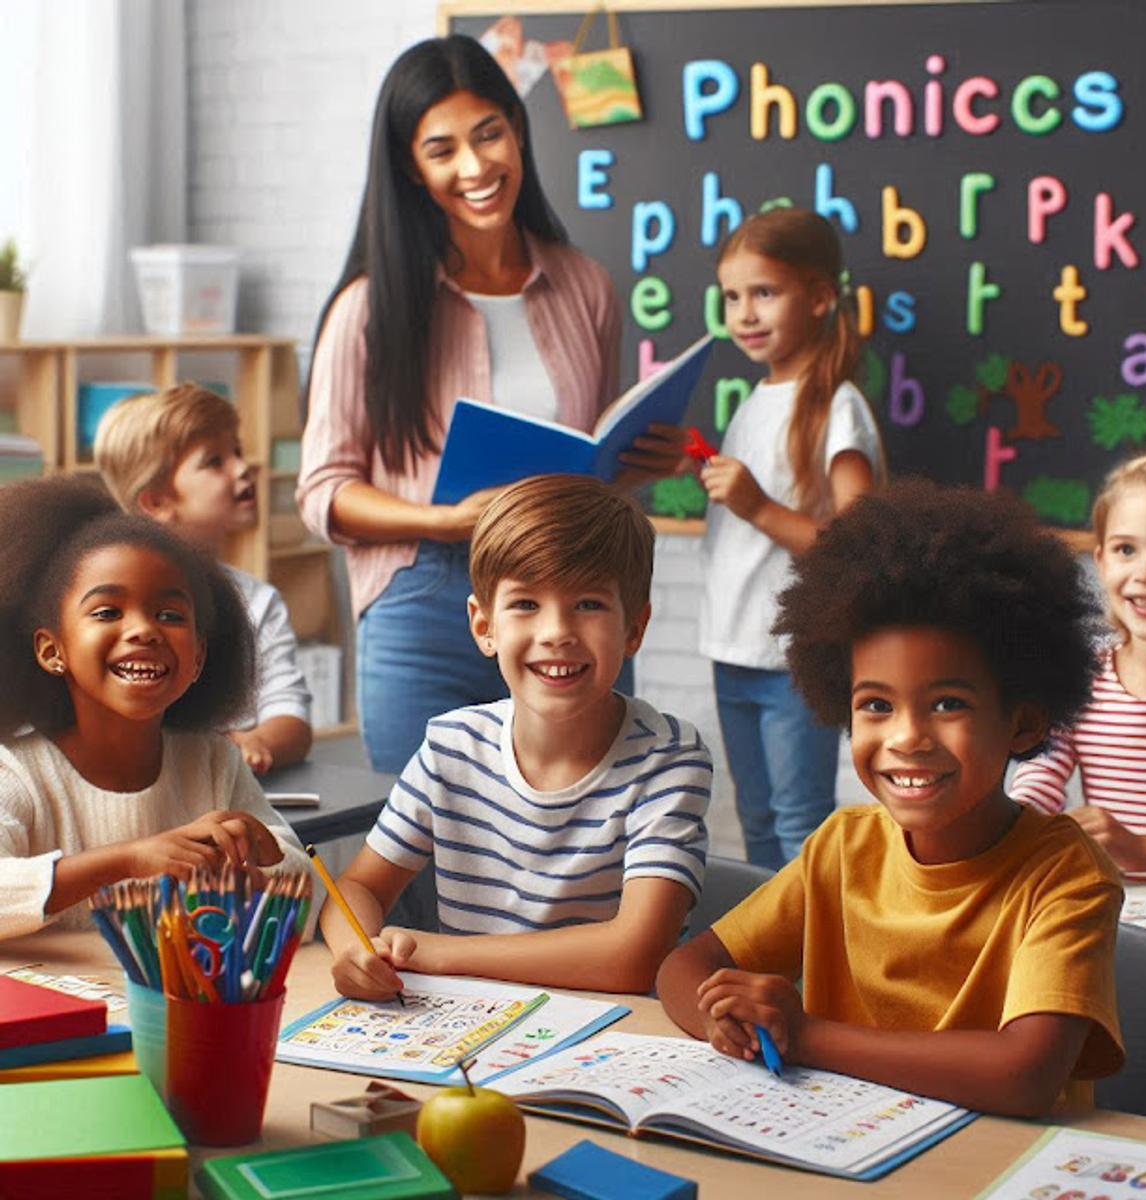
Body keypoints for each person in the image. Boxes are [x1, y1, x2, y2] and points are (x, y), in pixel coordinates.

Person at [658, 480, 1124, 1117]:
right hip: (840, 1146)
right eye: (876, 705)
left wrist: (807, 1035)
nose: (906, 737)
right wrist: (727, 1020)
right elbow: (685, 965)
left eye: (948, 704)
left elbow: (1026, 1074)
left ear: (1023, 720)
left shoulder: (1066, 877)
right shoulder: (842, 848)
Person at [298, 35, 681, 775]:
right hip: (425, 595)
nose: (474, 168)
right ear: (412, 166)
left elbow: (588, 458)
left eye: (488, 135)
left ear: (518, 129)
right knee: (428, 846)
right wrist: (445, 520)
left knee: (584, 823)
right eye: (442, 150)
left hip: (570, 589)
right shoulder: (369, 308)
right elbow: (322, 495)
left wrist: (635, 464)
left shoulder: (585, 285)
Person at [321, 475, 712, 997]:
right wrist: (357, 950)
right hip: (471, 1032)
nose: (556, 631)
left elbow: (635, 956)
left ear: (634, 628)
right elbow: (355, 887)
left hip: (613, 1040)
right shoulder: (451, 747)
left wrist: (437, 953)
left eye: (589, 604)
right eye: (526, 604)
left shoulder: (669, 759)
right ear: (484, 626)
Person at [0, 476, 310, 939]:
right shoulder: (16, 773)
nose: (144, 630)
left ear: (200, 656)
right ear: (51, 650)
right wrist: (129, 858)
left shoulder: (212, 762)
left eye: (170, 615)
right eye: (107, 612)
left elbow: (308, 895)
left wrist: (259, 863)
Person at [698, 208, 884, 870]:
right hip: (734, 648)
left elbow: (855, 545)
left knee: (799, 822)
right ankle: (768, 959)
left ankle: (811, 968)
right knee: (755, 820)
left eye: (764, 293)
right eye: (732, 296)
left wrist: (754, 505)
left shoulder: (837, 405)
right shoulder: (754, 400)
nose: (744, 313)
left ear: (820, 296)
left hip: (793, 656)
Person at [95, 383, 313, 774]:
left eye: (238, 452)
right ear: (157, 501)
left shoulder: (258, 600)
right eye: (215, 461)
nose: (243, 467)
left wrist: (257, 742)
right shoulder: (105, 605)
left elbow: (292, 722)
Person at [1011, 446, 1146, 879]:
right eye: (1125, 550)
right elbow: (1040, 772)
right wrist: (1019, 823)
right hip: (1114, 908)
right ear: (1100, 562)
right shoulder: (1083, 678)